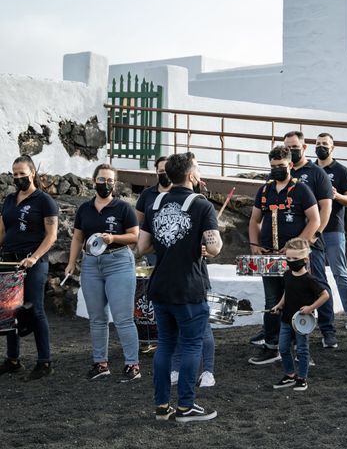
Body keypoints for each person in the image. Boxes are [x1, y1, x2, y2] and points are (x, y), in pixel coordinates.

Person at [137, 152, 222, 422]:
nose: (199, 173)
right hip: (188, 286)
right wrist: (199, 244)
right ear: (189, 175)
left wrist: (169, 245)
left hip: (160, 284)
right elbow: (214, 248)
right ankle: (186, 406)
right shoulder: (202, 205)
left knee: (164, 345)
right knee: (191, 345)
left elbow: (142, 247)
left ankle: (162, 406)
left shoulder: (156, 201)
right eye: (197, 168)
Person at [66, 164, 140, 382]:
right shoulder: (84, 209)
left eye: (110, 180)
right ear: (93, 181)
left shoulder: (123, 208)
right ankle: (100, 364)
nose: (105, 184)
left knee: (122, 317)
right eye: (101, 179)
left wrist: (113, 238)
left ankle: (132, 365)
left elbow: (134, 236)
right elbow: (78, 238)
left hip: (118, 262)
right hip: (90, 264)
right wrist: (72, 262)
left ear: (114, 184)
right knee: (97, 318)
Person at [248, 145, 320, 365]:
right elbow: (254, 220)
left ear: (290, 164)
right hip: (270, 256)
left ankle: (301, 348)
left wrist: (297, 246)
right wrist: (254, 244)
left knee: (297, 299)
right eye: (273, 166)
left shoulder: (301, 190)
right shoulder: (264, 190)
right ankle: (272, 347)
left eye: (280, 166)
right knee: (272, 300)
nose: (277, 169)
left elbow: (315, 220)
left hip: (295, 257)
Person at [0, 155, 58, 380]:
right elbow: (3, 231)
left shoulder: (44, 200)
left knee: (35, 310)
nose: (18, 177)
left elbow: (51, 236)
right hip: (9, 262)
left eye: (22, 173)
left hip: (33, 262)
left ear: (32, 172)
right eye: (15, 174)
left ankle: (45, 362)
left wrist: (34, 258)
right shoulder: (8, 200)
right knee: (9, 309)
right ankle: (13, 360)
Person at [284, 131, 339, 348]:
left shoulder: (316, 173)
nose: (291, 151)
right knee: (288, 285)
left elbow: (326, 208)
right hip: (285, 245)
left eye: (295, 147)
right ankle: (284, 331)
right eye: (288, 147)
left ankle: (328, 330)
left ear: (304, 147)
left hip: (311, 242)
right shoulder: (281, 173)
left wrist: (314, 236)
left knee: (318, 283)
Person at [271, 238, 329, 391]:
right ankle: (290, 375)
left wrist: (311, 308)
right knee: (283, 348)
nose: (291, 261)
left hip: (302, 322)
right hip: (286, 320)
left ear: (305, 259)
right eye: (288, 258)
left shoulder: (310, 279)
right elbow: (287, 292)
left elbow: (325, 295)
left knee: (302, 350)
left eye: (295, 259)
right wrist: (279, 305)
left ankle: (302, 378)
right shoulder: (287, 275)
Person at [315, 132, 347, 329]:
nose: (321, 146)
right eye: (318, 143)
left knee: (339, 272)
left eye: (325, 144)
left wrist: (337, 195)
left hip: (333, 229)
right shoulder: (310, 169)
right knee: (313, 273)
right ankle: (318, 313)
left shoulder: (341, 171)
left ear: (332, 148)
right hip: (311, 229)